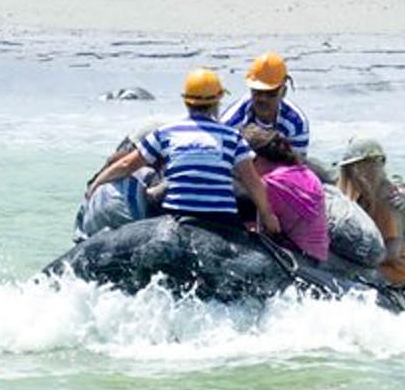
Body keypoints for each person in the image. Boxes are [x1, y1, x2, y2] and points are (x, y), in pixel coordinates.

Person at [88, 69, 276, 239]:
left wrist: (96, 183)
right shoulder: (232, 137)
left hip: (176, 217)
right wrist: (268, 217)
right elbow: (253, 182)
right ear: (217, 101)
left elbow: (126, 165)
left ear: (185, 100)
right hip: (221, 221)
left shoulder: (166, 132)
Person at [336, 137, 405, 286]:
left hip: (396, 274)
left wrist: (351, 261)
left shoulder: (386, 199)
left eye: (354, 169)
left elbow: (392, 250)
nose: (351, 176)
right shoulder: (365, 198)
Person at [242, 125, 329, 263]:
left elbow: (265, 229)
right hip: (318, 257)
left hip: (296, 261)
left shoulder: (269, 185)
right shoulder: (307, 173)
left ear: (255, 158)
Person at [223, 52, 311, 157]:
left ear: (283, 92)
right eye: (257, 91)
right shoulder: (231, 122)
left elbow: (297, 166)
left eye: (271, 93)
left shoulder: (296, 123)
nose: (263, 99)